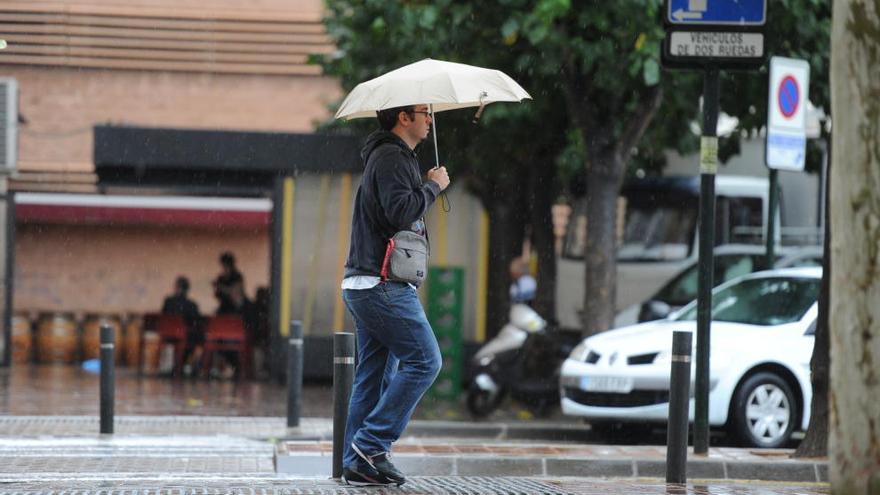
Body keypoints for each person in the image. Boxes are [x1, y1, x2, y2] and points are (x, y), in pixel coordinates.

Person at [339, 103, 450, 486]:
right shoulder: (391, 157)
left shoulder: (387, 157)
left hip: (367, 283)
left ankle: (355, 464)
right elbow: (400, 210)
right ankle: (371, 445)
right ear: (404, 118)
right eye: (426, 112)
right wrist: (434, 186)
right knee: (425, 361)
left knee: (372, 379)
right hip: (382, 284)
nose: (430, 120)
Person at [161, 276, 203, 375]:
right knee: (198, 339)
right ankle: (193, 366)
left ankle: (179, 365)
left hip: (168, 335)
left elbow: (163, 316)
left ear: (177, 287)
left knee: (188, 339)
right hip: (186, 336)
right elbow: (197, 322)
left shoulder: (168, 302)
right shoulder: (191, 305)